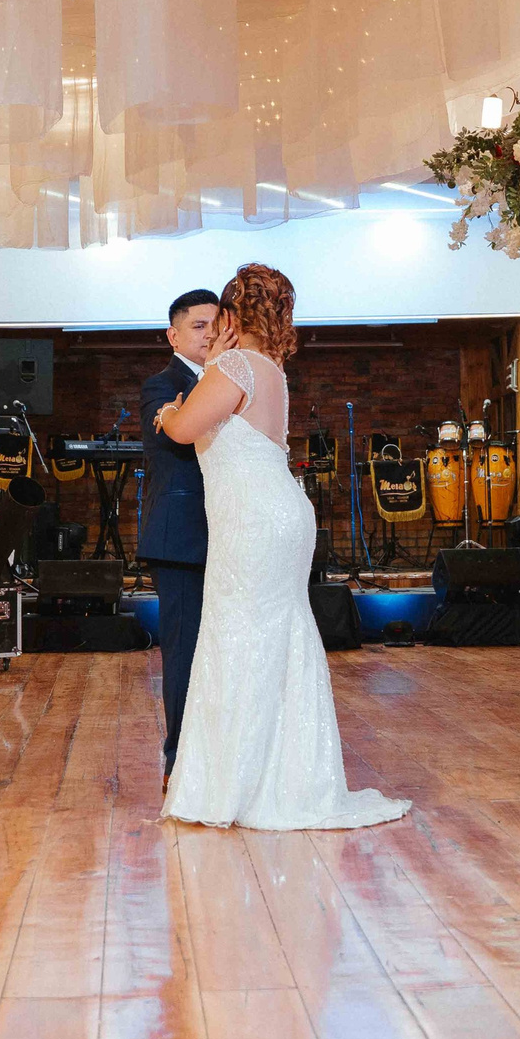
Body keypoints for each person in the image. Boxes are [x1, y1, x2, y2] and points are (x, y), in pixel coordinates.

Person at [155, 265, 410, 831]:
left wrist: (168, 411)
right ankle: (286, 778)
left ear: (232, 312)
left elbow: (183, 428)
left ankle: (238, 787)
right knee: (279, 636)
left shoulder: (233, 366)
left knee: (239, 637)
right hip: (279, 514)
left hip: (254, 521)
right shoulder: (270, 370)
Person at [138, 288, 221, 782]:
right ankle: (180, 761)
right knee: (184, 651)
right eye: (198, 325)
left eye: (216, 324)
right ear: (173, 334)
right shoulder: (160, 385)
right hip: (181, 540)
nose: (209, 334)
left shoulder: (232, 379)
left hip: (232, 534)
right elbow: (172, 441)